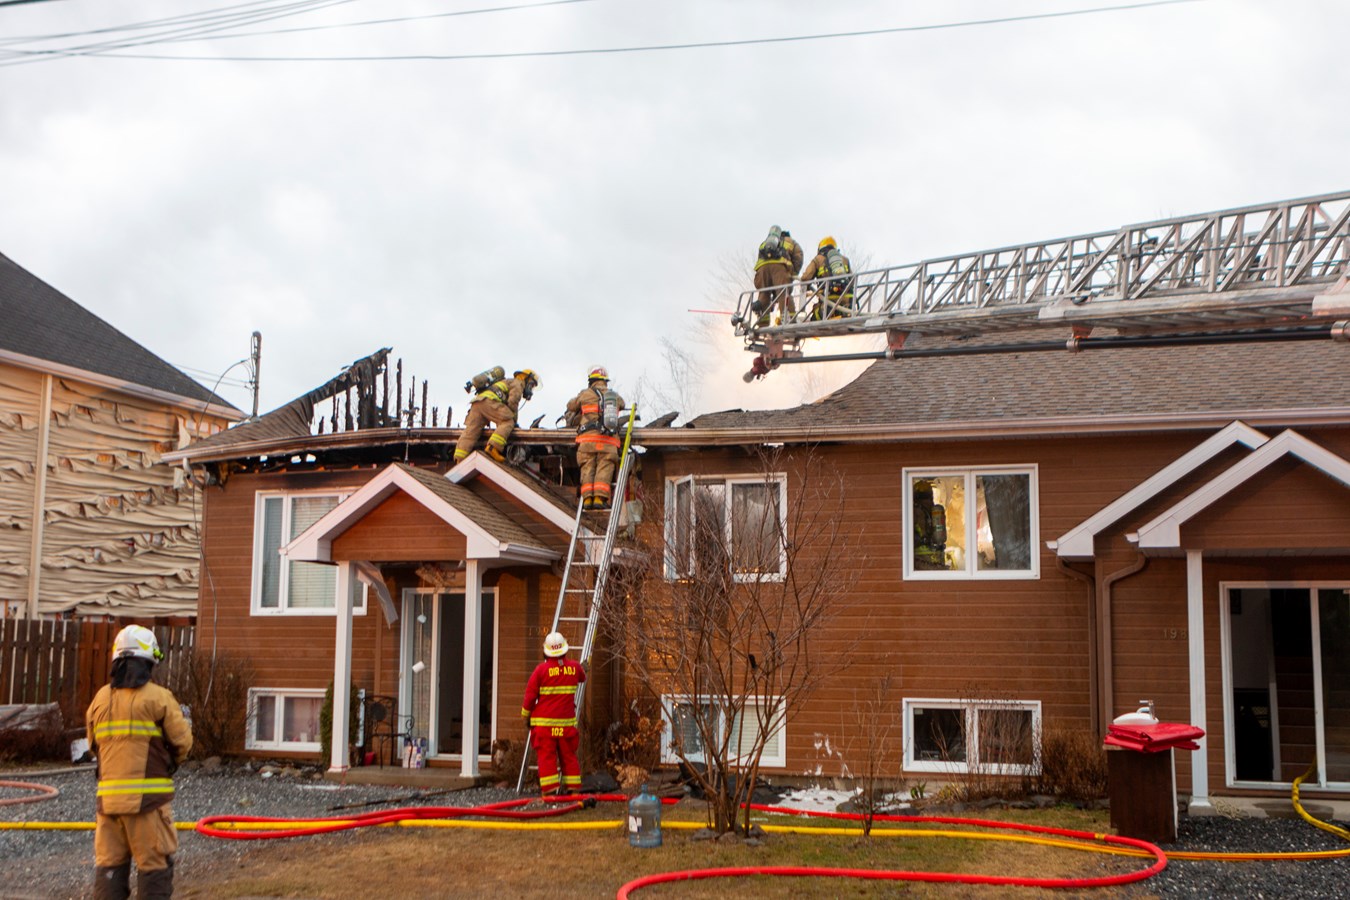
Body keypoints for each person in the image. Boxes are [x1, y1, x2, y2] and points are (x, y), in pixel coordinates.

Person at [87, 625, 193, 900]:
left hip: (108, 806)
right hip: (148, 805)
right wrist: (171, 761)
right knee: (154, 867)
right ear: (148, 660)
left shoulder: (100, 699)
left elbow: (93, 745)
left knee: (109, 868)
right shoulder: (159, 697)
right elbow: (182, 743)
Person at [521, 631, 586, 797]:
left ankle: (549, 792)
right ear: (564, 649)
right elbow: (582, 677)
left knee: (546, 757)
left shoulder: (540, 671)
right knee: (569, 756)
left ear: (546, 651)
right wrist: (581, 668)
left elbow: (530, 696)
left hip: (545, 727)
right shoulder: (574, 668)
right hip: (566, 726)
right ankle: (574, 789)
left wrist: (525, 714)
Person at [565, 365, 626, 510]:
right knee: (604, 467)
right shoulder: (613, 396)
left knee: (587, 467)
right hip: (608, 441)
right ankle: (599, 498)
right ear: (605, 381)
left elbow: (571, 405)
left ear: (591, 381)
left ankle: (587, 500)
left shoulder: (585, 394)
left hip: (587, 440)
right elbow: (622, 404)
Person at [453, 368, 540, 463]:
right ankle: (492, 448)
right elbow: (513, 401)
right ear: (526, 378)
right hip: (490, 402)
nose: (531, 388)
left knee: (472, 430)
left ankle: (459, 458)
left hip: (477, 402)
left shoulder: (505, 381)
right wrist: (513, 420)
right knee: (507, 422)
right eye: (531, 385)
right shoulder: (518, 383)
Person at [751, 225, 801, 326]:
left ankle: (762, 322)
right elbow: (798, 258)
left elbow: (760, 260)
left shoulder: (764, 243)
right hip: (779, 267)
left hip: (762, 269)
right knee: (783, 293)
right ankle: (789, 320)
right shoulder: (791, 242)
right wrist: (793, 274)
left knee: (764, 293)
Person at [801, 235, 855, 321]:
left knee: (815, 318)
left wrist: (806, 288)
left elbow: (805, 278)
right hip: (847, 302)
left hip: (828, 301)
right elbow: (852, 281)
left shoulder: (818, 259)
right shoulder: (845, 260)